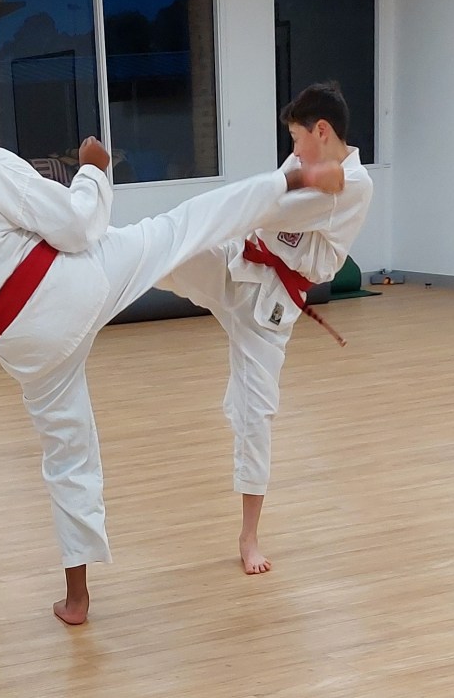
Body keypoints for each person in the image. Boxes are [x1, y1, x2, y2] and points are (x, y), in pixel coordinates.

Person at [0, 66, 344, 625]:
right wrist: (93, 172)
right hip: (73, 288)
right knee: (180, 227)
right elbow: (78, 227)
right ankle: (290, 181)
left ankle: (76, 599)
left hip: (22, 343)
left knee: (67, 457)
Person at [159, 82, 374, 574]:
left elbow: (271, 208)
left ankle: (249, 536)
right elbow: (262, 206)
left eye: (298, 138)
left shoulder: (356, 184)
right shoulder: (303, 164)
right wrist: (303, 175)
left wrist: (304, 181)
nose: (293, 150)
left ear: (323, 131)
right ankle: (80, 261)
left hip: (270, 309)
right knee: (162, 252)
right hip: (237, 263)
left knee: (256, 415)